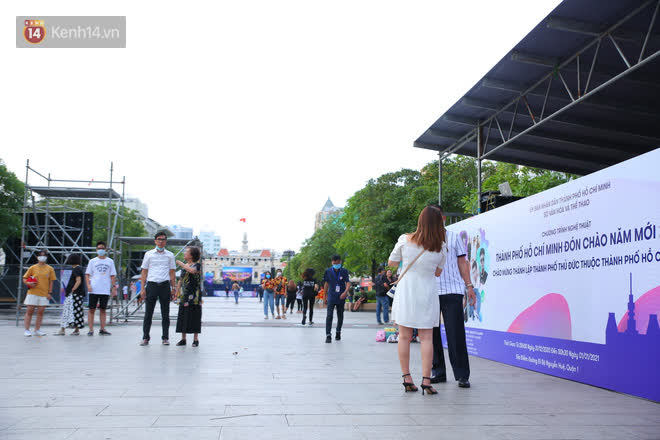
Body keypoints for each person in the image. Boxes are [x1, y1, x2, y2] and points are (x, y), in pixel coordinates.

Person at [387, 204, 448, 395]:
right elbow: (438, 272)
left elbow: (392, 262)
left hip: (406, 292)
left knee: (404, 336)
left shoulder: (405, 240)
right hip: (427, 293)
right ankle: (427, 381)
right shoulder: (441, 247)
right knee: (426, 338)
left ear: (420, 221)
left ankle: (407, 378)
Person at [431, 227, 477, 388]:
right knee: (431, 334)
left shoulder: (454, 237)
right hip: (430, 291)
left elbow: (462, 262)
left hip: (452, 291)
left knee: (455, 334)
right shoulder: (424, 238)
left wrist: (469, 286)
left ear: (442, 219)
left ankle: (462, 375)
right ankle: (438, 372)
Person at [140, 232, 176, 346]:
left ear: (166, 241)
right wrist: (142, 288)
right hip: (151, 284)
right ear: (155, 241)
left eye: (163, 239)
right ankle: (145, 337)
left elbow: (172, 272)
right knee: (148, 314)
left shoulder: (170, 255)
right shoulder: (148, 254)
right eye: (159, 239)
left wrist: (173, 288)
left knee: (165, 314)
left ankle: (165, 338)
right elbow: (144, 271)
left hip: (165, 285)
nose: (161, 241)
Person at [22, 249, 57, 337]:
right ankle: (27, 329)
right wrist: (28, 283)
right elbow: (25, 278)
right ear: (37, 257)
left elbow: (51, 281)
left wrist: (50, 292)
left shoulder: (50, 269)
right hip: (32, 292)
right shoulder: (32, 268)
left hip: (44, 293)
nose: (42, 257)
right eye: (40, 255)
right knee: (30, 310)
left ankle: (37, 329)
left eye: (44, 255)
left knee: (40, 312)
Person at [85, 241, 117, 336]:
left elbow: (112, 275)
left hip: (105, 289)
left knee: (103, 309)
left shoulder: (110, 261)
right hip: (94, 289)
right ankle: (91, 329)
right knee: (91, 309)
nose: (101, 250)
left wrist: (114, 287)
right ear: (96, 250)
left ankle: (102, 328)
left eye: (102, 248)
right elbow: (87, 274)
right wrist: (88, 285)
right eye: (99, 248)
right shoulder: (92, 261)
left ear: (105, 250)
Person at [175, 246, 202, 347]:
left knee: (195, 315)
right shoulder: (184, 266)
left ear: (191, 255)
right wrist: (176, 292)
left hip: (194, 295)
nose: (184, 254)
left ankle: (195, 339)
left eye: (186, 252)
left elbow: (192, 271)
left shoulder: (197, 265)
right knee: (183, 315)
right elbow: (180, 280)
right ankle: (183, 338)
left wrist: (181, 264)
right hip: (184, 295)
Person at [323, 255, 351, 343]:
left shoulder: (344, 271)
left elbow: (348, 282)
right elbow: (326, 283)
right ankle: (328, 335)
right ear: (332, 262)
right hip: (331, 296)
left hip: (341, 296)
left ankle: (338, 331)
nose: (336, 264)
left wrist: (345, 292)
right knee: (329, 315)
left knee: (340, 315)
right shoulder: (328, 271)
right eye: (334, 263)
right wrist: (324, 296)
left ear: (340, 262)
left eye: (337, 263)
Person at [55, 254, 85, 335]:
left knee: (68, 311)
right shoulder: (79, 268)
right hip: (78, 294)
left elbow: (78, 280)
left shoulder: (76, 269)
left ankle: (63, 329)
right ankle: (75, 329)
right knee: (76, 312)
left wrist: (72, 289)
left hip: (74, 294)